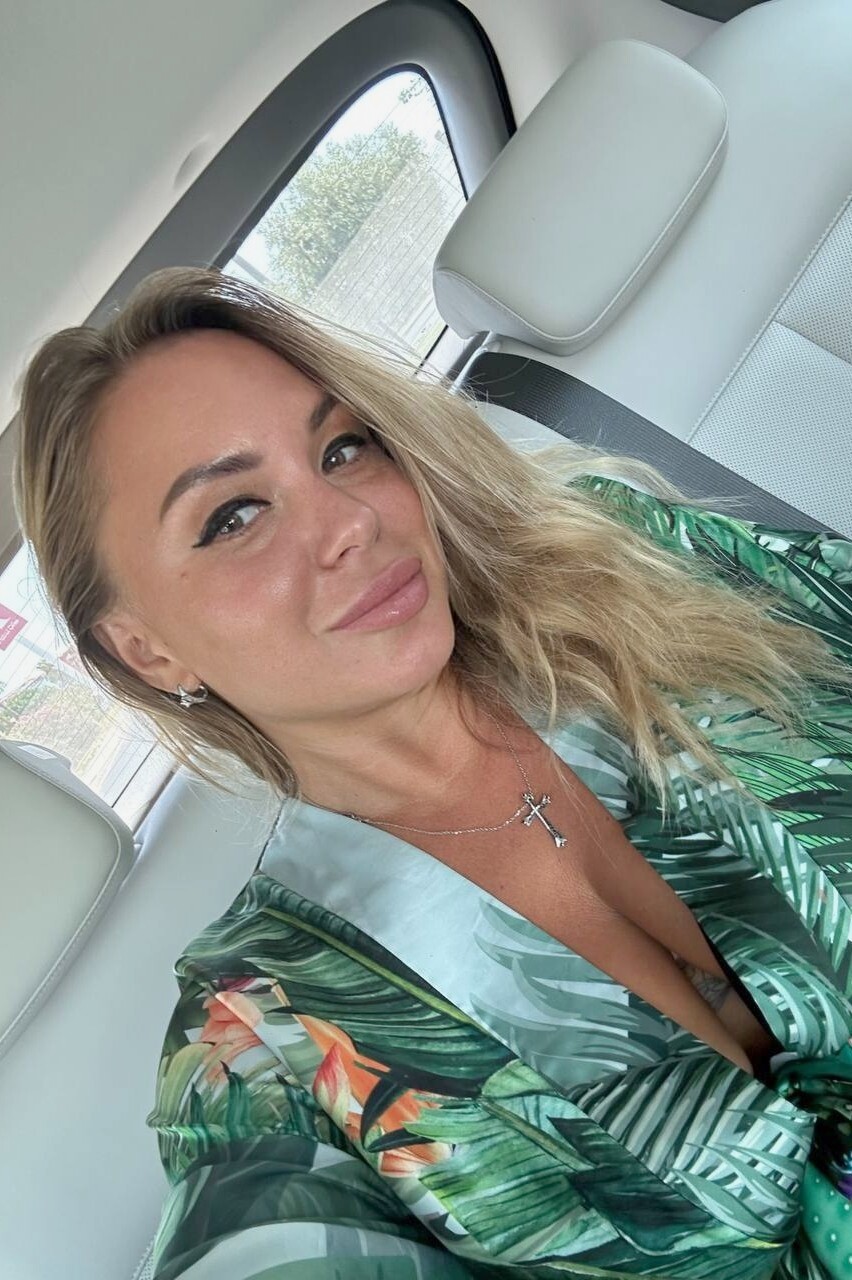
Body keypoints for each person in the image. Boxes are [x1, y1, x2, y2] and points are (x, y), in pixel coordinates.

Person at [15, 266, 852, 1280]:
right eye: (234, 515)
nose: (349, 522)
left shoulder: (632, 566)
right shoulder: (265, 1033)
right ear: (148, 650)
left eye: (343, 447)